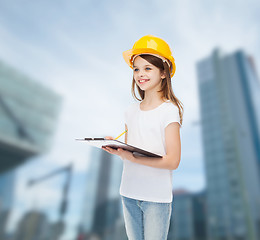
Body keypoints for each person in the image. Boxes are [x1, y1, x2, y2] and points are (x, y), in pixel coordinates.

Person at [102, 35, 183, 240]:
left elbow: (173, 161)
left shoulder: (169, 111)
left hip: (156, 198)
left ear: (163, 73)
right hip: (128, 192)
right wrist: (117, 148)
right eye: (136, 69)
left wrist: (132, 158)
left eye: (148, 68)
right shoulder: (130, 111)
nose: (140, 74)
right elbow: (131, 152)